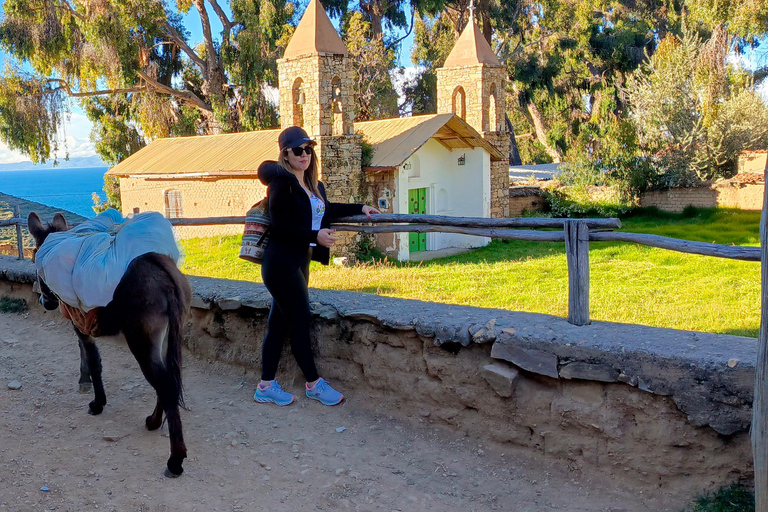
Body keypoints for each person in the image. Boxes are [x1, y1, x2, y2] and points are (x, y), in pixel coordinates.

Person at [253, 126, 380, 406]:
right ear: (285, 154)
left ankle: (265, 385)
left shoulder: (314, 186)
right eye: (297, 150)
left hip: (300, 262)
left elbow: (328, 209)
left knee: (278, 323)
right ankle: (313, 383)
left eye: (308, 149)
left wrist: (361, 208)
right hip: (280, 263)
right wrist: (315, 236)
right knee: (300, 321)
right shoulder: (281, 184)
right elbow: (281, 227)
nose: (304, 154)